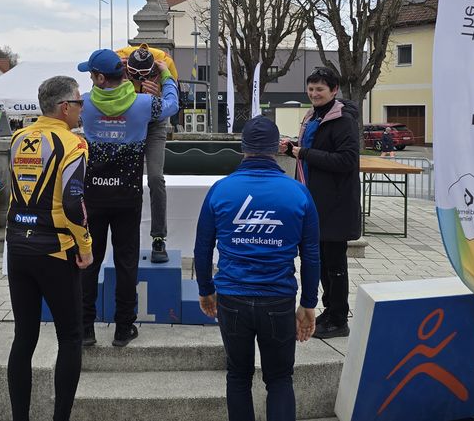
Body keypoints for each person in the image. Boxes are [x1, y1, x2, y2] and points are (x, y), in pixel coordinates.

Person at [195, 116, 320, 421]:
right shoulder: (298, 193)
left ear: (243, 148)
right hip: (277, 298)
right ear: (276, 148)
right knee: (279, 379)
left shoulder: (221, 190)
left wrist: (206, 290)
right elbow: (311, 254)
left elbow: (202, 247)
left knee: (238, 376)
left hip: (232, 296)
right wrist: (308, 303)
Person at [5, 75, 93, 421]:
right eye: (79, 102)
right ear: (65, 107)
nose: (82, 108)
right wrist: (85, 245)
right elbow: (73, 203)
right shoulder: (74, 143)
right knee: (70, 337)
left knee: (23, 337)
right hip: (56, 250)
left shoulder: (18, 137)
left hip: (18, 247)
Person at [78, 48, 179, 347]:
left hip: (94, 195)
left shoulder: (84, 104)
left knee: (88, 261)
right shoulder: (144, 104)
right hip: (127, 195)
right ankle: (123, 328)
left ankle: (85, 328)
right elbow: (172, 104)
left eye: (91, 74)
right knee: (126, 262)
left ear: (99, 77)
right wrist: (166, 75)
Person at [280, 67, 360, 339]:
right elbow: (316, 152)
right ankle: (330, 310)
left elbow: (346, 160)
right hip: (315, 201)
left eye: (320, 89)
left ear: (334, 90)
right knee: (322, 262)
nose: (314, 94)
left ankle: (339, 319)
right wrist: (293, 148)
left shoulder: (343, 120)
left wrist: (305, 153)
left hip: (335, 204)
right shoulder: (315, 116)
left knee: (334, 264)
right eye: (311, 89)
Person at [116, 43, 179, 263]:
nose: (140, 80)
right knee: (126, 177)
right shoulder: (117, 58)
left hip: (155, 122)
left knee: (155, 177)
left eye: (146, 76)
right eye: (135, 76)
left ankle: (158, 237)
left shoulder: (166, 63)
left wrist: (159, 94)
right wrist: (118, 80)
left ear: (154, 69)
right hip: (130, 120)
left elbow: (174, 101)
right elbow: (100, 84)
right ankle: (125, 235)